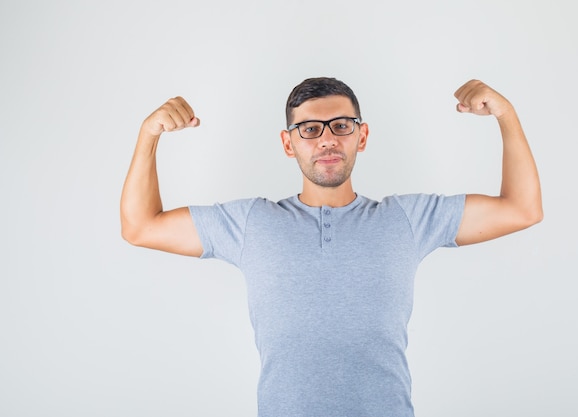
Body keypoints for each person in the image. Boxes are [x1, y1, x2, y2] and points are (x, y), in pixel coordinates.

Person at [120, 77, 542, 417]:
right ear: (289, 144)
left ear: (362, 136)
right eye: (310, 129)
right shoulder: (250, 223)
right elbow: (140, 226)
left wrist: (506, 115)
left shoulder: (408, 220)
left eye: (341, 126)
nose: (326, 140)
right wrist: (148, 134)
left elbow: (522, 209)